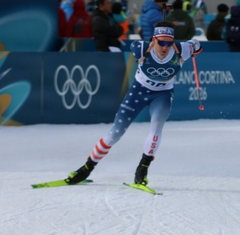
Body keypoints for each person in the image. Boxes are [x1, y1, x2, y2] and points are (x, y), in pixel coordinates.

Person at [63, 21, 202, 188]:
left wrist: (194, 45)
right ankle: (86, 168)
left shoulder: (182, 49)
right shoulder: (141, 48)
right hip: (138, 91)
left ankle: (142, 169)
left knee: (156, 127)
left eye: (169, 43)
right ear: (153, 40)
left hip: (163, 94)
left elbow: (196, 44)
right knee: (115, 133)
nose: (165, 47)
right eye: (161, 42)